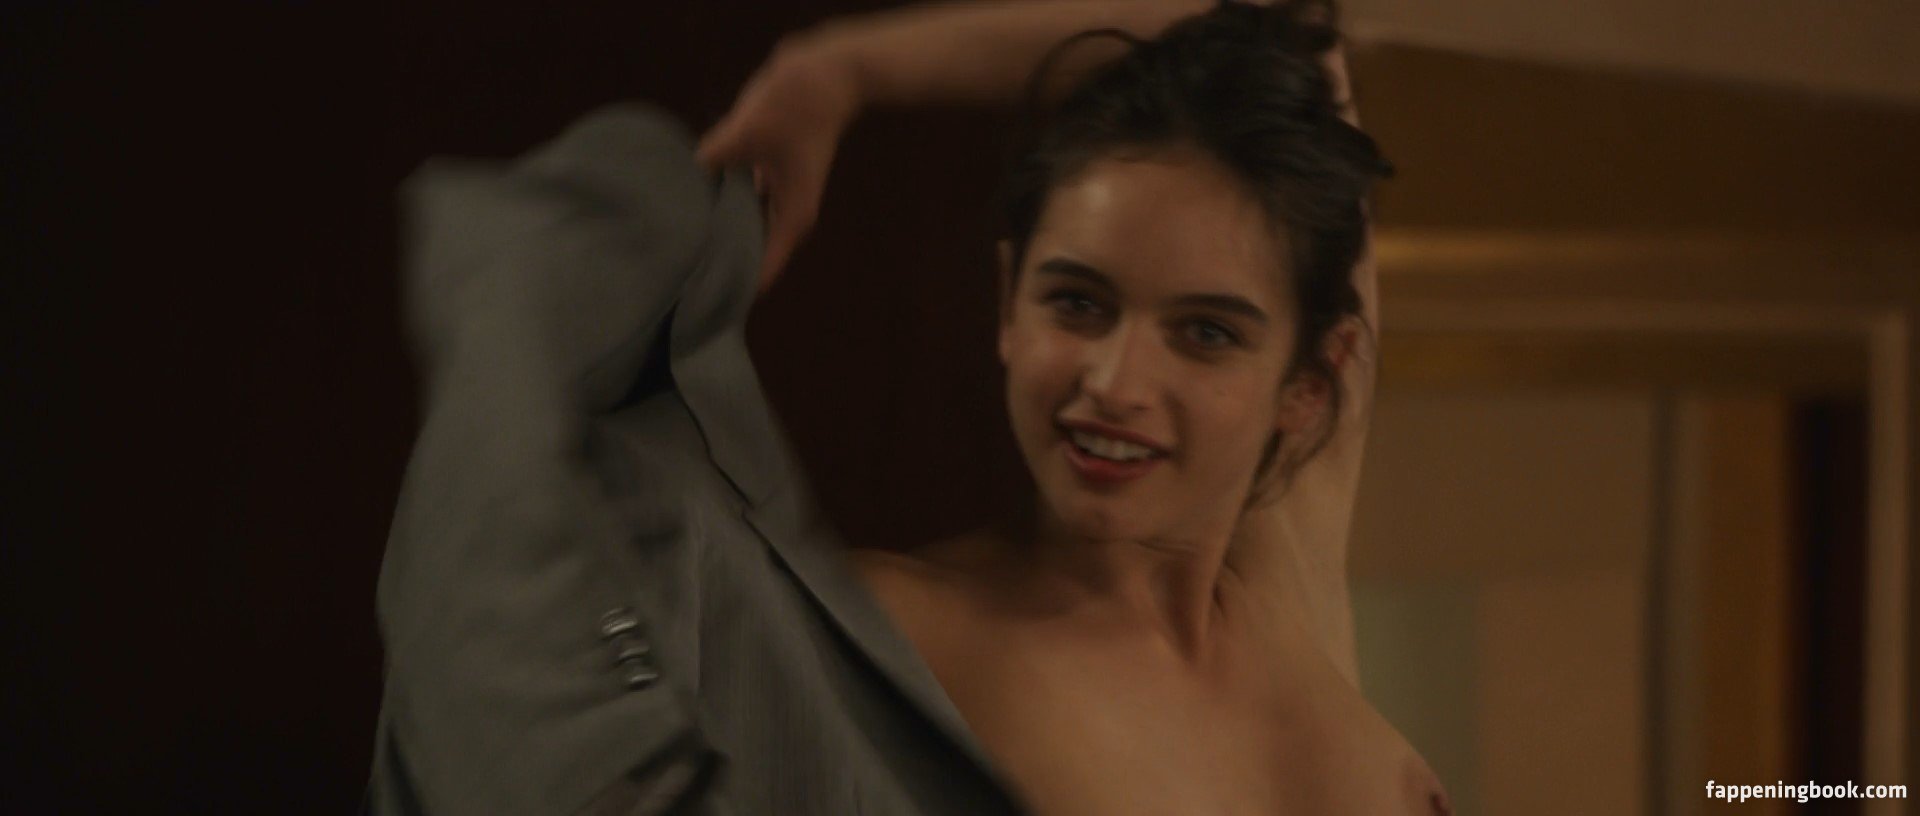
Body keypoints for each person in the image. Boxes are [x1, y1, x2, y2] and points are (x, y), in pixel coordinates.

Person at [369, 1, 1447, 813]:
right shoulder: (890, 635)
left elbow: (1274, 23)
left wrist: (848, 71)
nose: (1116, 385)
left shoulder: (1288, 575)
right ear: (1008, 303)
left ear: (1307, 387)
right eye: (1078, 302)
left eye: (1206, 333)